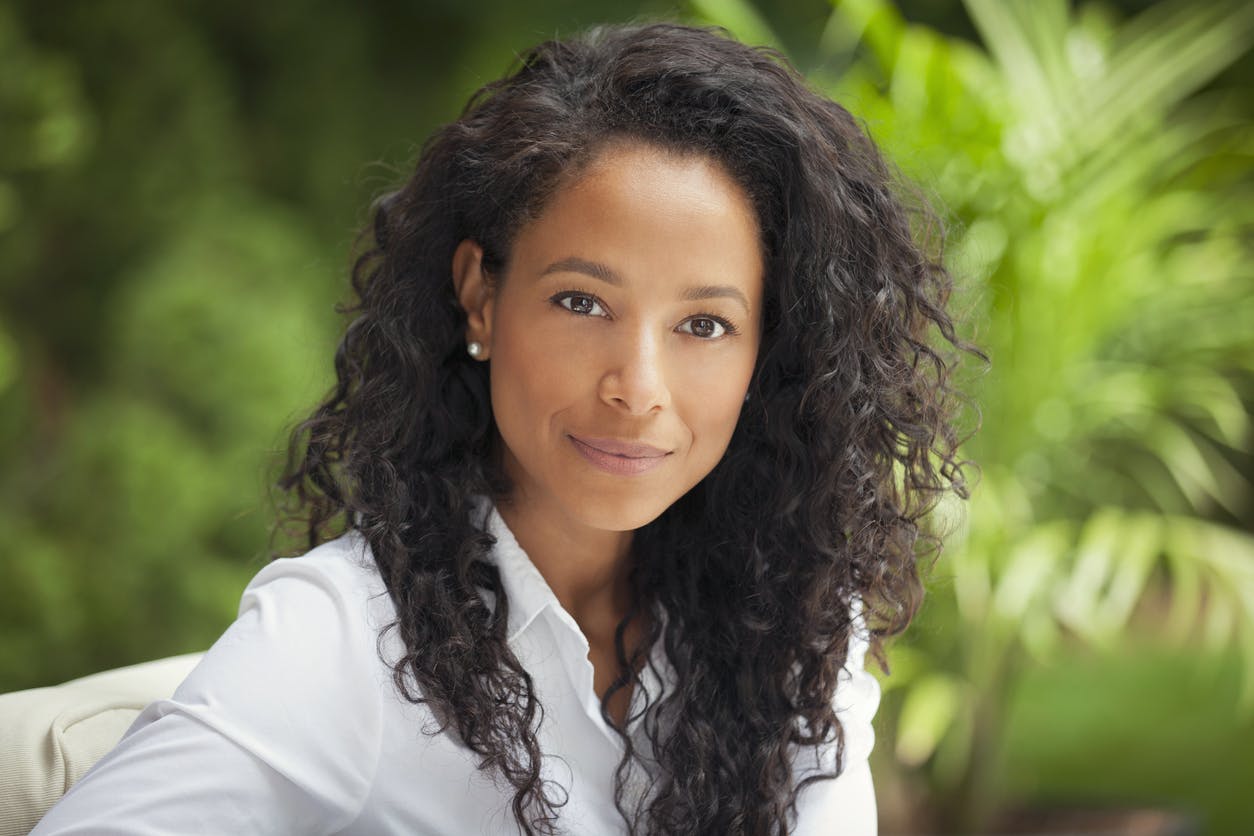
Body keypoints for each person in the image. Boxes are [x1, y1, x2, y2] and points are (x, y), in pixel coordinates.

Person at [31, 21, 973, 836]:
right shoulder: (341, 642)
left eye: (703, 325)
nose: (637, 388)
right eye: (581, 301)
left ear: (769, 352)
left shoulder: (798, 625)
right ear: (482, 298)